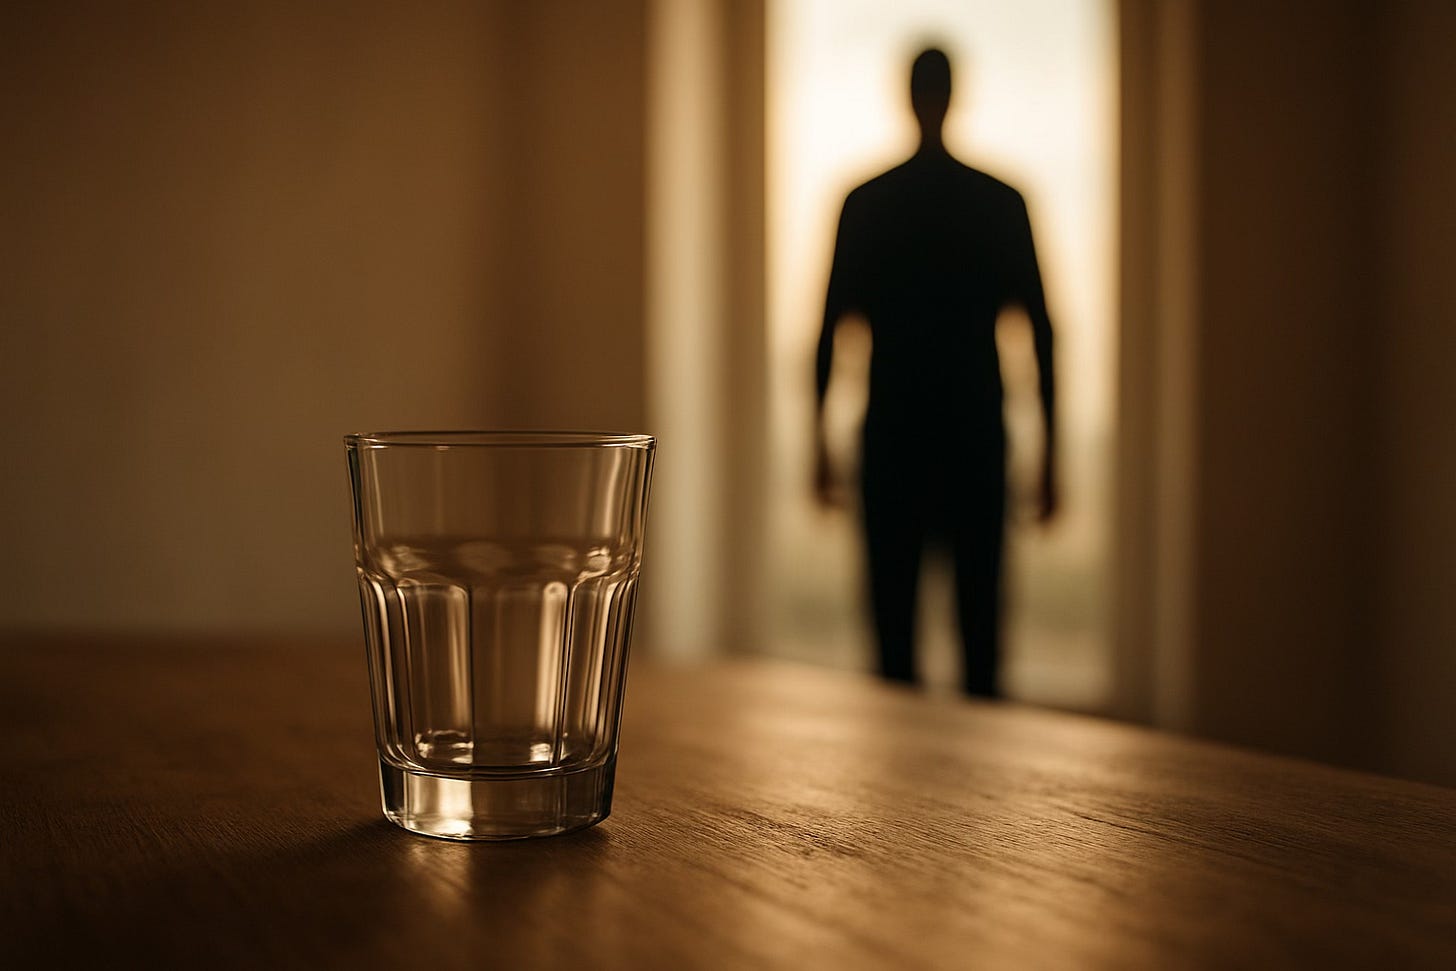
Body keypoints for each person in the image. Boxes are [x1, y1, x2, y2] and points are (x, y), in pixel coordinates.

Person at [813, 47, 1057, 698]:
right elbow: (1041, 330)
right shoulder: (999, 202)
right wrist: (1053, 452)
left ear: (909, 95)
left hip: (894, 437)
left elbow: (829, 328)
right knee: (981, 645)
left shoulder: (867, 202)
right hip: (974, 436)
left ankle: (897, 796)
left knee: (894, 648)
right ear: (953, 95)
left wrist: (819, 441)